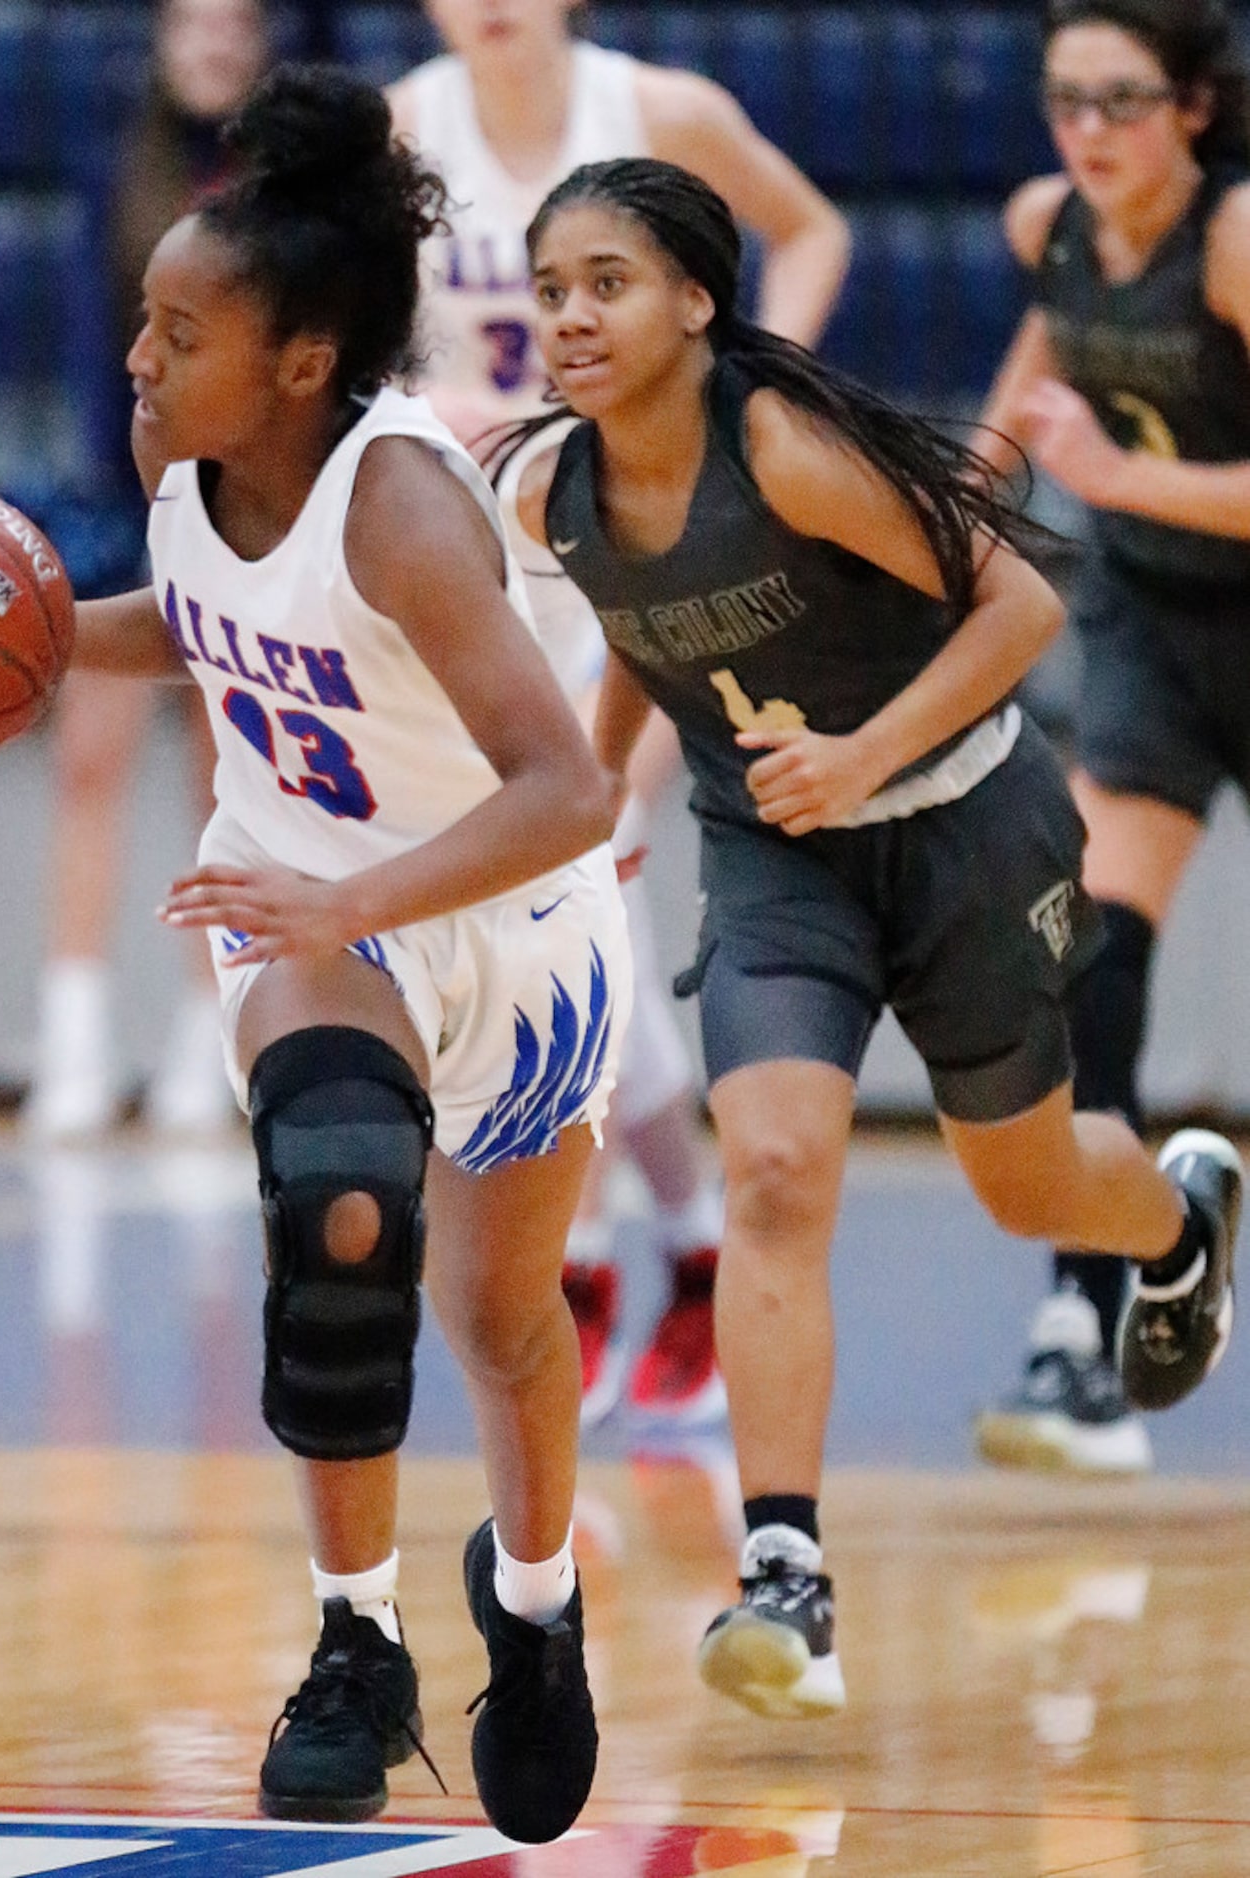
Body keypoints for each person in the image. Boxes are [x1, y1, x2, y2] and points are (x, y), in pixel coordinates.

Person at [500, 153, 1242, 1722]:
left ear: (698, 300)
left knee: (1021, 1177)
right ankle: (786, 1575)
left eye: (606, 283)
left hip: (967, 824)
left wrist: (863, 755)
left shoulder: (778, 447)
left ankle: (1171, 1227)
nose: (569, 315)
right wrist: (602, 792)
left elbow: (1021, 612)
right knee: (772, 1167)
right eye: (550, 288)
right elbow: (644, 633)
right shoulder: (549, 486)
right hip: (774, 857)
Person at [67, 65, 633, 1841]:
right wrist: (20, 642)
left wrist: (362, 908)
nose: (139, 358)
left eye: (178, 330)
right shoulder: (185, 458)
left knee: (499, 1315)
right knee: (334, 1205)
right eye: (146, 322)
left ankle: (533, 1610)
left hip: (505, 918)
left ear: (302, 361)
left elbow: (564, 786)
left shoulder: (398, 505)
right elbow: (202, 614)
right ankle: (354, 1644)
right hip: (302, 897)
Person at [389, 0, 852, 1425]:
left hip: (629, 552)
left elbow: (814, 229)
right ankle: (672, 1240)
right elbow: (349, 326)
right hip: (475, 562)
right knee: (531, 919)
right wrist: (417, 399)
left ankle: (598, 1261)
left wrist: (734, 397)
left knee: (585, 886)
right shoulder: (404, 125)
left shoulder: (657, 114)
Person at [973, 0, 1250, 1477]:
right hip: (1156, 624)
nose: (1085, 131)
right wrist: (939, 523)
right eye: (1064, 99)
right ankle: (1085, 1329)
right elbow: (1027, 405)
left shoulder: (1229, 237)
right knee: (1089, 953)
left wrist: (1105, 476)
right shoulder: (1051, 224)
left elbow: (1090, 452)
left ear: (1192, 108)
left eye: (1119, 101)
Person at [23, 0, 271, 1142]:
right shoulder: (111, 167)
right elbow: (88, 347)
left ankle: (204, 1042)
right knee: (90, 764)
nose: (215, 42)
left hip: (246, 507)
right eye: (196, 23)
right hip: (128, 499)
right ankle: (72, 1041)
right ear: (164, 42)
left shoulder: (282, 180)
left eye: (236, 24)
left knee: (224, 787)